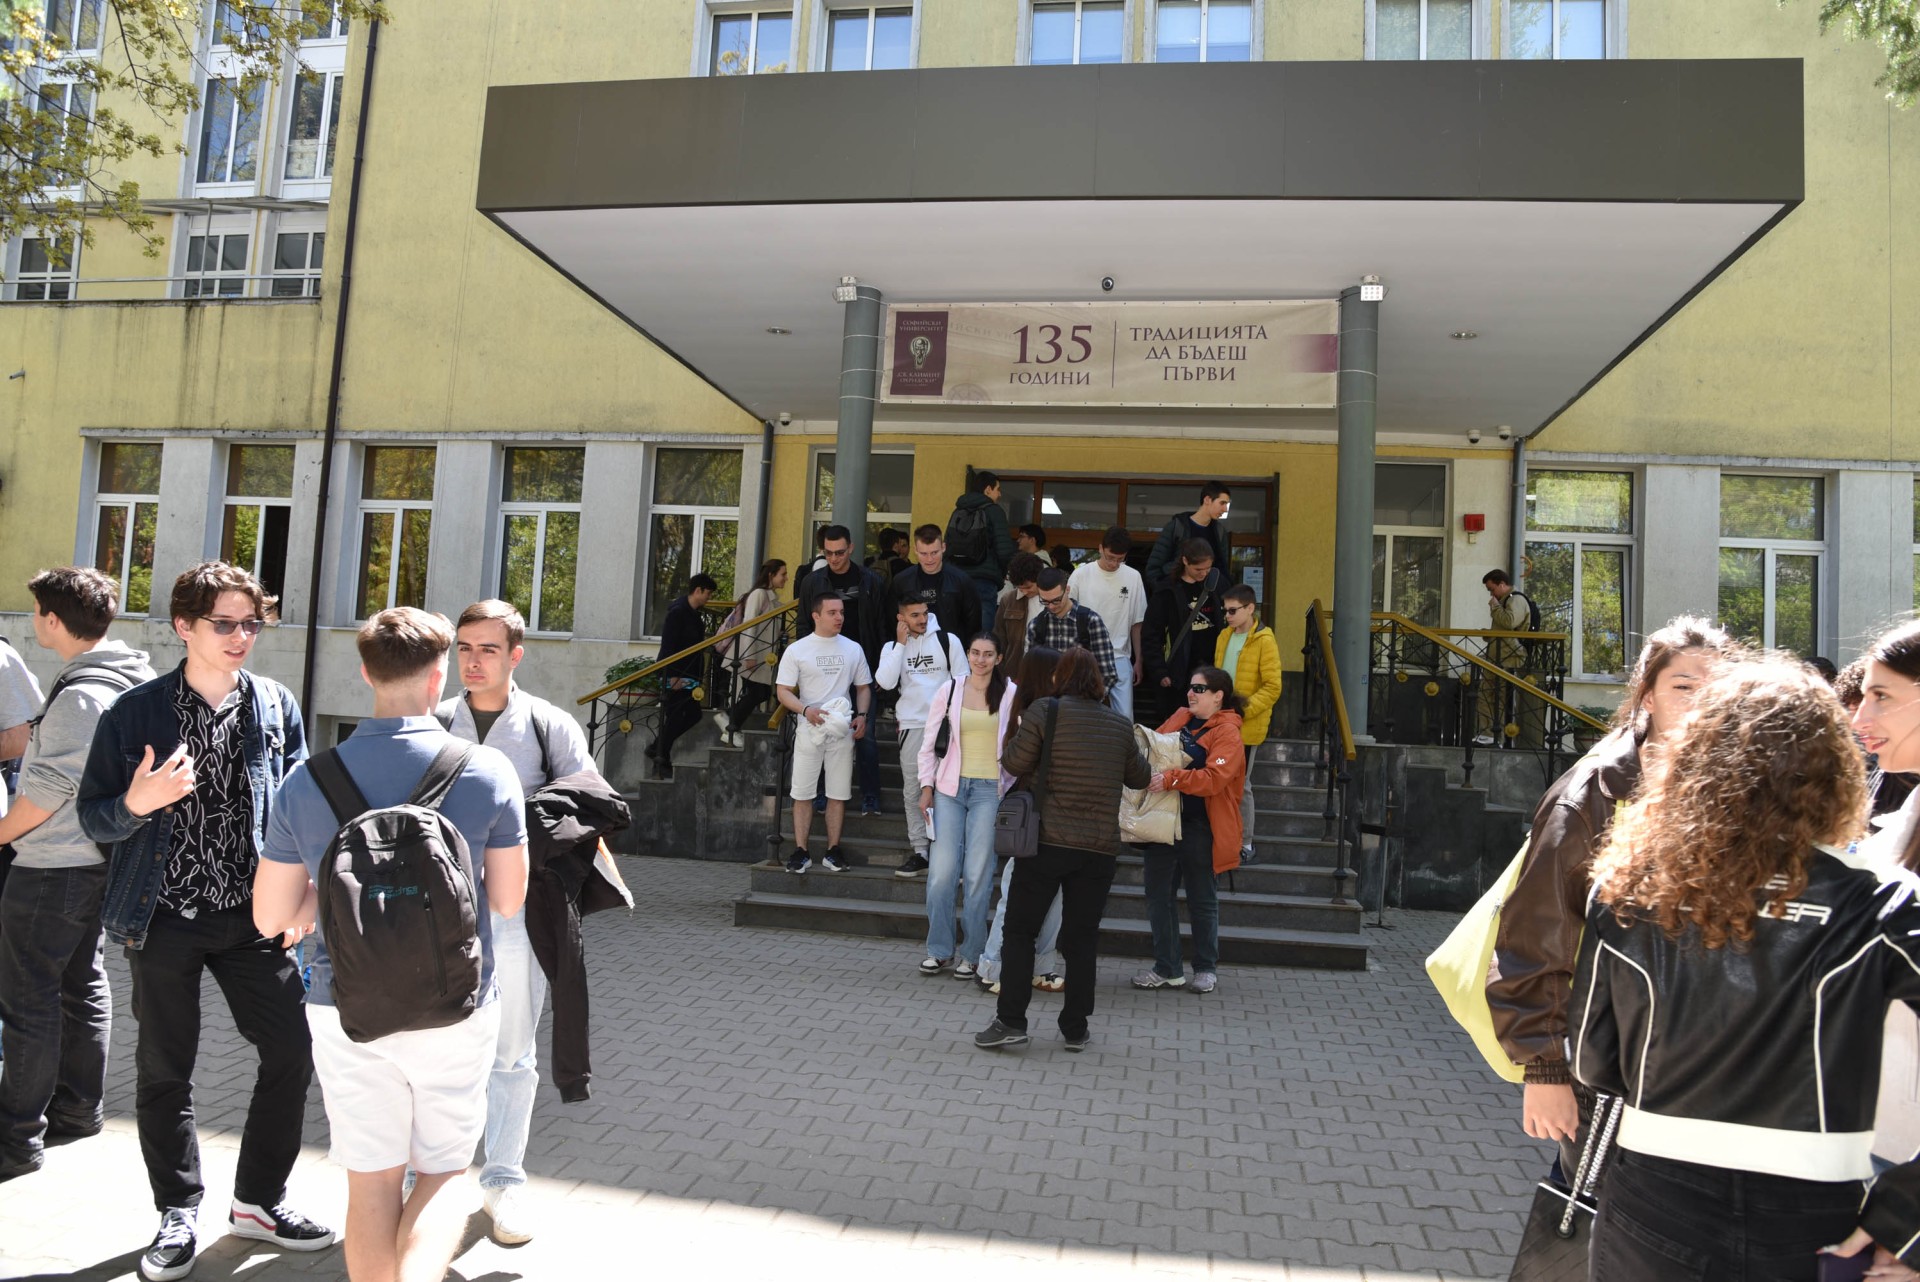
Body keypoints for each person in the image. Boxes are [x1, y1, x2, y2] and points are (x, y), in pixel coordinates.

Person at [1571, 656, 1920, 1281]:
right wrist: (1904, 1214)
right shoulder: (1883, 902)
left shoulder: (1629, 889)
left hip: (1656, 1189)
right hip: (1816, 1207)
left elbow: (1592, 1061)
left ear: (1695, 764)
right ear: (1833, 771)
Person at [254, 607, 528, 1282]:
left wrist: (325, 898)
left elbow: (270, 916)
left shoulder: (307, 780)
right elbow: (506, 900)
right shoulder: (487, 771)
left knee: (372, 1182)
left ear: (365, 673)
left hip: (344, 1005)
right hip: (457, 1004)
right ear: (439, 677)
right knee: (442, 1173)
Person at [76, 561, 329, 1280]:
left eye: (252, 623)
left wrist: (307, 893)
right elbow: (92, 815)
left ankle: (259, 1202)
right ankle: (178, 1210)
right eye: (225, 623)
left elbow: (302, 808)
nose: (241, 636)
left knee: (290, 1049)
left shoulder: (274, 704)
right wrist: (137, 804)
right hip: (163, 918)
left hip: (255, 917)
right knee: (166, 1068)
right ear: (184, 626)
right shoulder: (135, 713)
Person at [1488, 617, 1729, 1177]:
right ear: (1647, 696)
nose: (1700, 702)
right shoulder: (1593, 793)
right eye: (1683, 686)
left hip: (1694, 1060)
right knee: (1592, 1204)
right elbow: (1537, 932)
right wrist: (1545, 1070)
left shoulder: (1728, 791)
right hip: (1603, 1058)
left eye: (1715, 689)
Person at [436, 599, 596, 1245]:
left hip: (517, 910)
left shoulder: (547, 725)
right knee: (435, 1049)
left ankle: (502, 1184)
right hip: (436, 912)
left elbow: (591, 803)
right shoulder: (435, 720)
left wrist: (524, 821)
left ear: (515, 656)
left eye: (488, 650)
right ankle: (429, 1180)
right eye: (464, 649)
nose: (473, 662)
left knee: (511, 1054)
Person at [0, 568, 153, 1184]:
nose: (33, 620)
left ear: (53, 619)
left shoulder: (81, 695)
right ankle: (77, 1110)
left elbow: (46, 791)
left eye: (37, 610)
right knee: (80, 983)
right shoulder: (132, 675)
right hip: (98, 861)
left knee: (28, 999)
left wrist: (1, 833)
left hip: (52, 865)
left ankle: (16, 1138)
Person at [974, 647, 1150, 1053]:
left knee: (1020, 930)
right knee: (1082, 938)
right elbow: (1140, 777)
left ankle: (1011, 1020)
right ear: (1098, 682)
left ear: (1060, 678)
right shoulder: (1119, 724)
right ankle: (1075, 1028)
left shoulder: (1044, 711)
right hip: (1098, 850)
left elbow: (1013, 763)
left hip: (1046, 843)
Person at [1849, 621, 1920, 1188]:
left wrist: (1900, 1221)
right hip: (1877, 1145)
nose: (1859, 720)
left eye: (1882, 697)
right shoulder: (1909, 810)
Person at [1134, 666, 1244, 996]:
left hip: (1200, 826)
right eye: (1190, 687)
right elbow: (1150, 750)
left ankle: (1206, 968)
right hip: (1162, 822)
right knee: (1158, 898)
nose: (1190, 694)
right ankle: (1167, 969)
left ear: (1218, 696)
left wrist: (1172, 778)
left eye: (1199, 689)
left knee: (1202, 899)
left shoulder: (1228, 732)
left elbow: (1215, 779)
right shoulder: (1181, 717)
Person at [915, 632, 1017, 979]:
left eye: (988, 654)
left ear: (998, 658)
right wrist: (926, 787)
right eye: (975, 652)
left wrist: (1009, 784)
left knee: (977, 874)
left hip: (991, 790)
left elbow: (1020, 744)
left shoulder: (1011, 693)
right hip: (949, 789)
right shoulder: (950, 689)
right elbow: (928, 744)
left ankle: (972, 953)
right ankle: (939, 950)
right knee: (941, 873)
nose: (980, 659)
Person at [975, 646, 1065, 995]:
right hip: (1032, 818)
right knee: (1015, 895)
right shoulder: (1025, 715)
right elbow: (1015, 764)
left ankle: (1041, 967)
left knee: (1053, 898)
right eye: (1057, 671)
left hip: (1052, 818)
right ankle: (992, 966)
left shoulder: (1052, 712)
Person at [776, 591, 872, 874]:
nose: (839, 617)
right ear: (816, 616)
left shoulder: (853, 648)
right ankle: (801, 851)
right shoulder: (797, 650)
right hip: (809, 729)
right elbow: (783, 691)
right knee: (802, 793)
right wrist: (805, 710)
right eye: (832, 612)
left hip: (841, 730)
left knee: (838, 793)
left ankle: (833, 851)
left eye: (841, 612)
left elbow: (863, 687)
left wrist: (862, 715)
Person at [796, 527, 885, 816]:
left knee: (865, 735)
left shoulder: (871, 580)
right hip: (823, 670)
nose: (834, 558)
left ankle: (870, 796)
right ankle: (821, 794)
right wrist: (804, 664)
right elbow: (803, 625)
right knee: (822, 733)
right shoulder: (812, 582)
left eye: (840, 552)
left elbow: (881, 627)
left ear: (851, 548)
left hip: (862, 667)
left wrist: (881, 669)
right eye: (828, 553)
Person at [876, 600, 964, 879]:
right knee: (913, 790)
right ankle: (921, 851)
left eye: (925, 613)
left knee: (949, 789)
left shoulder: (948, 641)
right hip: (912, 725)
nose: (922, 619)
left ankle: (949, 853)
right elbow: (885, 682)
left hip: (946, 725)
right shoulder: (891, 648)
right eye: (914, 615)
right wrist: (901, 645)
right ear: (901, 618)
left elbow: (963, 684)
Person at [1213, 585, 1281, 864]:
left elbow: (1273, 687)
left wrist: (1243, 711)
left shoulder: (1265, 640)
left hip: (1245, 725)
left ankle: (1246, 842)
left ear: (1250, 608)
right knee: (1218, 780)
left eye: (1232, 610)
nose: (1227, 616)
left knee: (1241, 784)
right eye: (1225, 611)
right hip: (1220, 721)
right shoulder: (1224, 636)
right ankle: (1223, 838)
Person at [1068, 527, 1148, 723]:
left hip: (1120, 655)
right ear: (1100, 548)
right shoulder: (1081, 574)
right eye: (1110, 557)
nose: (1114, 563)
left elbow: (1137, 623)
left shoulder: (1133, 576)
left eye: (1120, 559)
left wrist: (1139, 660)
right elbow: (1067, 618)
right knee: (1082, 715)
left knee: (1125, 718)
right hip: (1085, 654)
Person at [1142, 539, 1225, 723]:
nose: (1204, 573)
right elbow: (1151, 634)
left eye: (1208, 568)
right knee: (1178, 724)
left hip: (1212, 670)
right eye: (1198, 569)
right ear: (1185, 561)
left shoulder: (1217, 584)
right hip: (1179, 674)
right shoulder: (1167, 590)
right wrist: (1159, 671)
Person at [647, 572, 716, 779]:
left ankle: (658, 749)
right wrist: (672, 676)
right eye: (708, 593)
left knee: (692, 715)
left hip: (688, 675)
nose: (709, 598)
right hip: (675, 675)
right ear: (698, 591)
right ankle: (661, 758)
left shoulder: (694, 614)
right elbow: (668, 646)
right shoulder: (677, 613)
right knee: (676, 717)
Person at [716, 560, 788, 749]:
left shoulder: (769, 597)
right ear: (771, 575)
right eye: (783, 574)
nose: (786, 578)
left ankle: (730, 722)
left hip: (760, 656)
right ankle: (730, 724)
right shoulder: (759, 594)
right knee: (759, 692)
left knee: (761, 692)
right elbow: (750, 625)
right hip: (751, 654)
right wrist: (749, 656)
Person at [1025, 567, 1121, 699]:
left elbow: (1107, 674)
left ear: (1067, 590)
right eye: (1045, 601)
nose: (1051, 606)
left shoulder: (1090, 621)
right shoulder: (1035, 625)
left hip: (1083, 702)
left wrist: (1090, 703)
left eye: (1056, 600)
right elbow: (1029, 673)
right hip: (1045, 703)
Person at [889, 524, 983, 643]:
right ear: (915, 550)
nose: (929, 559)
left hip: (951, 650)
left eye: (934, 553)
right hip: (912, 650)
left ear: (943, 547)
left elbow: (973, 625)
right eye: (924, 554)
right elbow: (891, 621)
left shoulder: (962, 581)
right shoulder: (901, 581)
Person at [1474, 569, 1536, 746]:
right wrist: (1490, 634)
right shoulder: (1505, 601)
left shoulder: (1516, 599)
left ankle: (1499, 737)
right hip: (1497, 657)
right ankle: (1487, 734)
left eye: (1492, 589)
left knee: (1502, 697)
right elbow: (1506, 628)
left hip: (1509, 658)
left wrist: (1494, 607)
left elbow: (1510, 621)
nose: (1491, 594)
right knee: (1485, 694)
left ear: (1502, 584)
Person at [945, 470, 1017, 623]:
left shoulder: (957, 511)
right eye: (998, 489)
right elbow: (1004, 551)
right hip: (984, 580)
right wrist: (1000, 573)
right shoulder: (994, 511)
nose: (1000, 494)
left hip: (957, 579)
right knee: (982, 632)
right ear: (988, 489)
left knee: (959, 630)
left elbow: (947, 546)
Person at [1143, 482, 1231, 585]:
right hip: (1176, 590)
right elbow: (1153, 569)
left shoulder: (1220, 532)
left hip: (1206, 593)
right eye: (1222, 503)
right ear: (1207, 499)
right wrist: (1164, 590)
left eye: (1226, 504)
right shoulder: (1176, 527)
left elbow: (1222, 569)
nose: (1225, 509)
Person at [993, 551, 1047, 677]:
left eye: (1028, 587)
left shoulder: (1053, 600)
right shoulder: (1008, 600)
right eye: (1020, 588)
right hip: (1014, 671)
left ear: (1039, 578)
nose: (1024, 592)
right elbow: (999, 638)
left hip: (1045, 669)